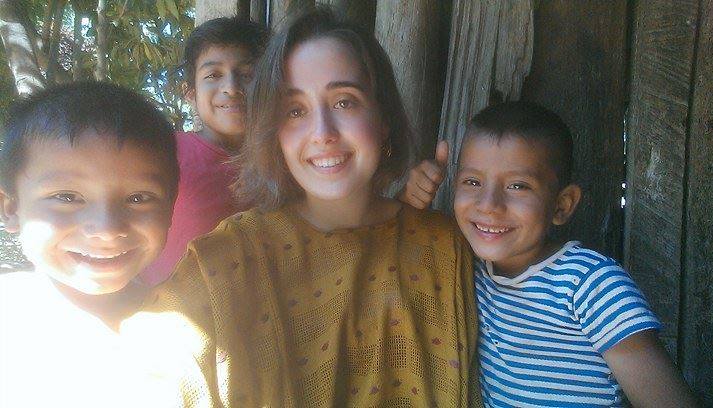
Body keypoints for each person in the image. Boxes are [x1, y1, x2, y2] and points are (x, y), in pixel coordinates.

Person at [122, 9, 480, 406]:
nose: (322, 133)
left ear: (383, 119)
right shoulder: (226, 258)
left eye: (344, 102)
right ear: (274, 132)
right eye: (295, 110)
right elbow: (154, 363)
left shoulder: (444, 247)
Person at [405, 101, 697, 407]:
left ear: (562, 205)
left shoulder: (590, 284)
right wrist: (409, 203)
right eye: (473, 182)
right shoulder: (466, 269)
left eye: (518, 186)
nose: (488, 204)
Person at [0, 81, 180, 407]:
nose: (107, 230)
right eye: (67, 197)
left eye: (138, 198)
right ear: (10, 208)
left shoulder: (186, 326)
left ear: (170, 209)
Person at [140, 17, 269, 286]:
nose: (231, 88)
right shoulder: (164, 152)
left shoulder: (285, 163)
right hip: (161, 303)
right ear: (190, 93)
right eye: (213, 75)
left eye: (247, 75)